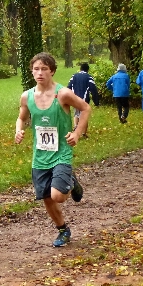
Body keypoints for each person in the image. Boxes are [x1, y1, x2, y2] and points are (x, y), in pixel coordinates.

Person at [15, 52, 88, 247]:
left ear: (52, 71)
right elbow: (22, 117)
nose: (40, 73)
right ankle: (63, 230)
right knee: (47, 197)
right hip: (40, 155)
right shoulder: (27, 96)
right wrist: (19, 130)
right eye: (36, 69)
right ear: (32, 72)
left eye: (44, 69)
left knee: (58, 196)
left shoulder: (62, 93)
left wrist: (77, 133)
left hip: (61, 151)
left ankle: (70, 181)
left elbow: (86, 108)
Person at [67, 62, 100, 134]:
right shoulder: (89, 77)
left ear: (80, 69)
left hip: (74, 99)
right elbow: (93, 90)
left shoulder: (74, 76)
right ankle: (84, 133)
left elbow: (69, 86)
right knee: (84, 115)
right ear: (87, 70)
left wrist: (68, 98)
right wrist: (96, 102)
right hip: (84, 100)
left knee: (76, 113)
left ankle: (76, 127)